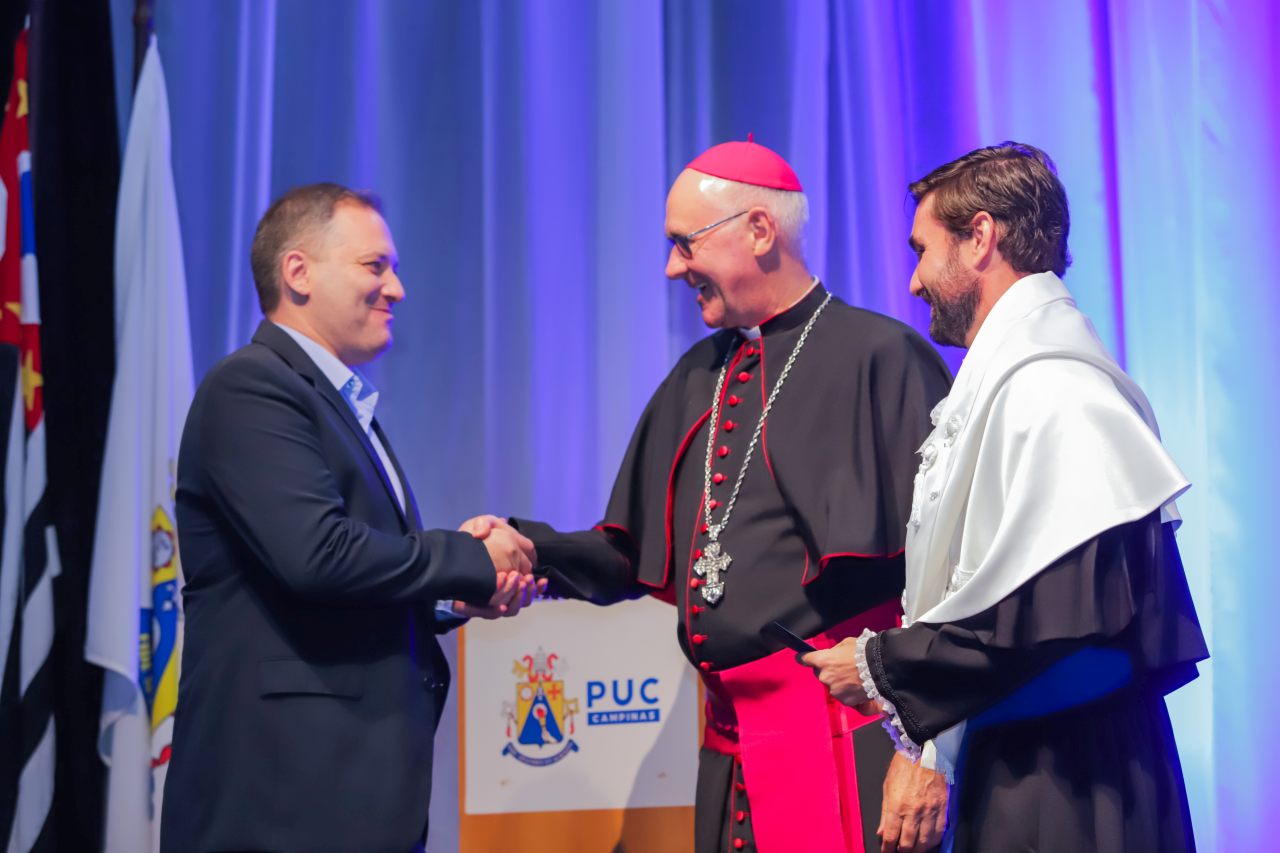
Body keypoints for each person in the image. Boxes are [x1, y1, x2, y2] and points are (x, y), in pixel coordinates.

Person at [468, 139, 953, 852]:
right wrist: (526, 546)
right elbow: (628, 552)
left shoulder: (881, 357)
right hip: (728, 753)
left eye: (684, 243)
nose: (672, 268)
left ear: (758, 230)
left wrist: (928, 744)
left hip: (845, 747)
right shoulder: (700, 375)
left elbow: (947, 578)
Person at [802, 143, 1208, 852]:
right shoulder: (1019, 386)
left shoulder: (1057, 394)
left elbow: (1066, 638)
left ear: (981, 237)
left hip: (1070, 783)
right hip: (1029, 764)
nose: (914, 280)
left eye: (923, 250)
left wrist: (884, 666)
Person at [160, 184, 539, 853]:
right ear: (298, 272)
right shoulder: (250, 386)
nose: (397, 289)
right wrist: (469, 558)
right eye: (375, 265)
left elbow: (339, 577)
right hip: (279, 803)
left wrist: (449, 594)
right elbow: (318, 555)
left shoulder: (333, 404)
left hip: (344, 799)